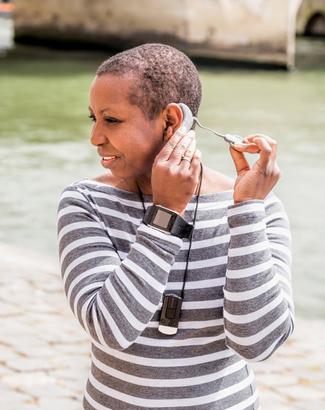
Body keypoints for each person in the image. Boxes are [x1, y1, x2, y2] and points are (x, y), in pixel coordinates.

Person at [57, 43, 294, 410]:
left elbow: (259, 342)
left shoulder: (257, 208)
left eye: (112, 120)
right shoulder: (86, 202)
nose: (95, 137)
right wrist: (166, 214)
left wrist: (247, 210)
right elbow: (109, 328)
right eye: (94, 119)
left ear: (171, 121)